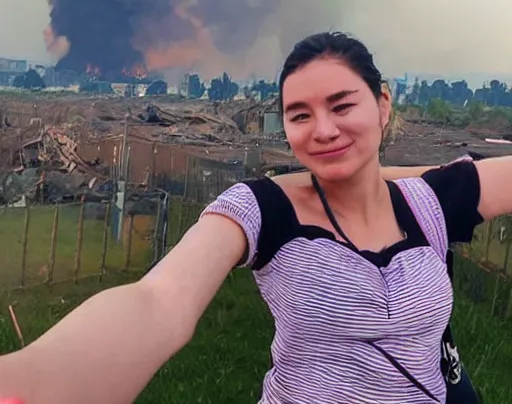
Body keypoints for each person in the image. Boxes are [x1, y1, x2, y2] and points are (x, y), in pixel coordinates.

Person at [0, 31, 507, 404]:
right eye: (300, 114)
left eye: (341, 104)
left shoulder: (432, 201)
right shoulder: (265, 208)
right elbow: (157, 301)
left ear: (382, 104)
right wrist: (29, 382)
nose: (323, 129)